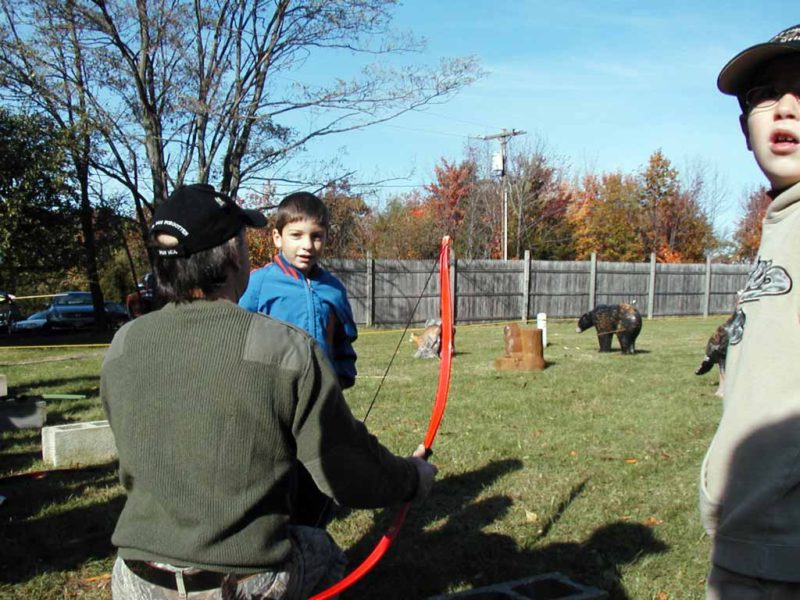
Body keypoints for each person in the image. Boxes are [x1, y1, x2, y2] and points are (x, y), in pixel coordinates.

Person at [101, 183, 437, 599]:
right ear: (232, 256)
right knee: (325, 553)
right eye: (244, 241)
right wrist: (411, 477)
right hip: (237, 583)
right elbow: (349, 475)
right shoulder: (287, 349)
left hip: (136, 578)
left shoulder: (123, 344)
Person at [699, 25, 800, 598]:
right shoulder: (784, 221)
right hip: (754, 543)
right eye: (766, 92)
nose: (786, 105)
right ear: (745, 130)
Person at [239, 192, 358, 390]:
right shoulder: (256, 284)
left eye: (316, 236)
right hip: (270, 395)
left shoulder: (334, 289)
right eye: (296, 235)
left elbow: (343, 341)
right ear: (278, 238)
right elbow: (235, 337)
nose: (307, 245)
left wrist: (342, 377)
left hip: (321, 399)